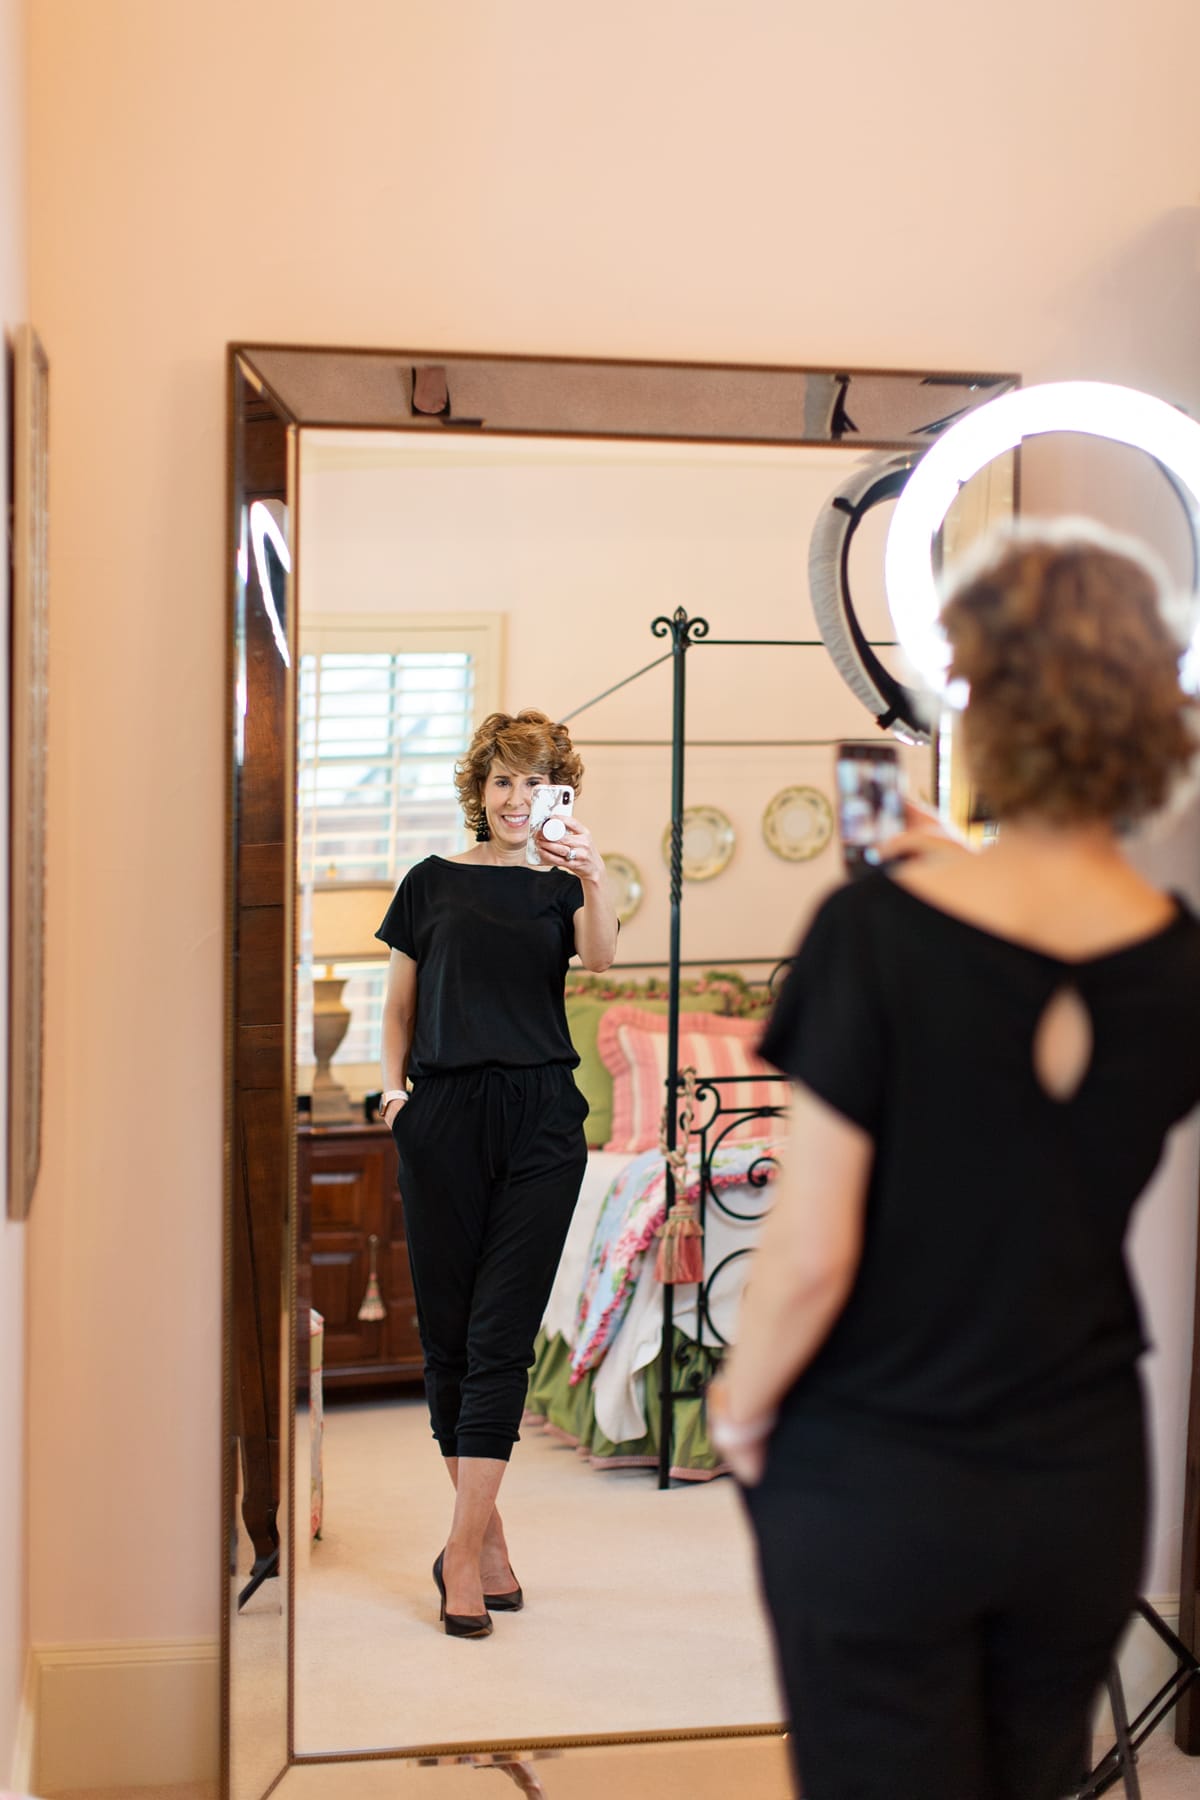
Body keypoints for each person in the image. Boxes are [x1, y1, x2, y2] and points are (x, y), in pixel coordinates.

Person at [709, 524, 1200, 1799]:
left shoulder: (875, 935)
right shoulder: (1177, 960)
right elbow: (1044, 1004)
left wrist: (740, 1409)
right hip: (1083, 1479)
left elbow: (812, 1254)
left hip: (879, 1472)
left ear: (981, 704)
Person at [375, 709, 618, 1638]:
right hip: (441, 1117)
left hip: (542, 1122)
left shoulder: (563, 888)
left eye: (539, 781)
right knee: (450, 1338)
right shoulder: (428, 884)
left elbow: (600, 961)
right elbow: (397, 1008)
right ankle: (486, 1541)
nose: (520, 799)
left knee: (501, 1334)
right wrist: (393, 1097)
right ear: (479, 791)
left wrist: (592, 875)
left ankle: (459, 1556)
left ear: (563, 792)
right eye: (505, 781)